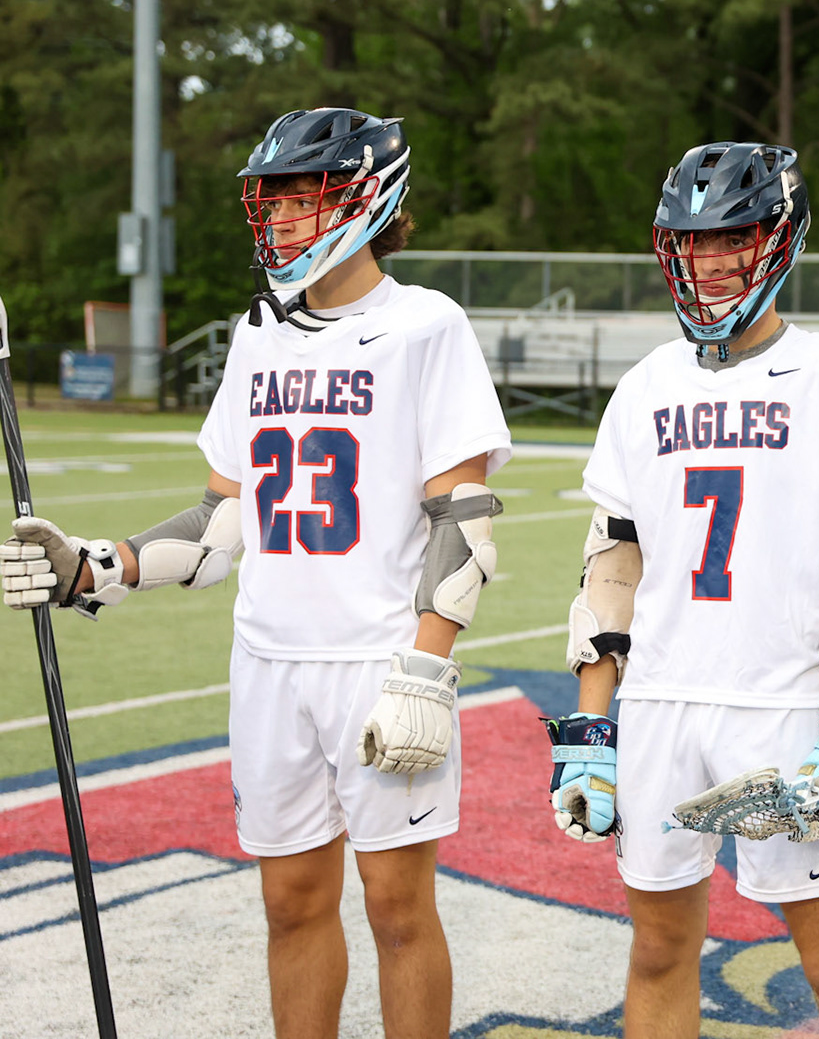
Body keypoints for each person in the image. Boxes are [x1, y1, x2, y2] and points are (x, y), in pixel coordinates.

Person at [0, 107, 511, 1039]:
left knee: (399, 912)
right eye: (267, 202)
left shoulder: (425, 324)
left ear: (364, 201)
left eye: (298, 201)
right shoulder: (257, 333)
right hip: (268, 662)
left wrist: (428, 671)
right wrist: (96, 568)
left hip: (377, 662)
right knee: (291, 907)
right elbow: (222, 520)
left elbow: (462, 517)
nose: (274, 220)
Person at [546, 141, 819, 1039]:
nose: (708, 261)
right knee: (659, 951)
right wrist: (592, 722)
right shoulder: (645, 385)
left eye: (732, 238)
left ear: (778, 241)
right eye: (691, 242)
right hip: (661, 698)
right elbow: (613, 562)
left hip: (781, 703)